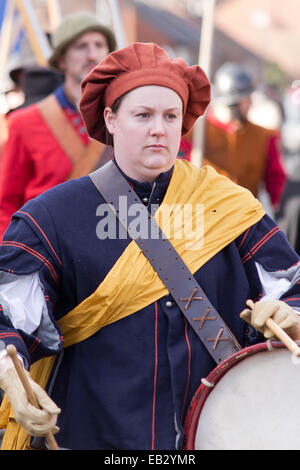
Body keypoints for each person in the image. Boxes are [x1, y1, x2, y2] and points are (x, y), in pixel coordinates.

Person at [0, 42, 299, 451]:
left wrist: (293, 315)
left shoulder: (229, 206)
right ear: (111, 119)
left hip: (214, 435)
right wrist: (8, 363)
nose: (159, 128)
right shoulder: (52, 217)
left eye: (170, 116)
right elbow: (10, 309)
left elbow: (290, 285)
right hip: (97, 435)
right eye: (143, 115)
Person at [0, 11, 116, 240]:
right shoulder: (24, 123)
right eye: (81, 46)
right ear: (62, 59)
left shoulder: (125, 118)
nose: (92, 54)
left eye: (99, 45)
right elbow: (5, 204)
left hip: (110, 258)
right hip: (44, 254)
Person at [179, 63, 287, 214]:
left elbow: (277, 183)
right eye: (246, 99)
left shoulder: (264, 137)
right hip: (204, 219)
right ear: (232, 103)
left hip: (246, 220)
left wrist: (282, 213)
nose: (251, 103)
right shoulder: (192, 134)